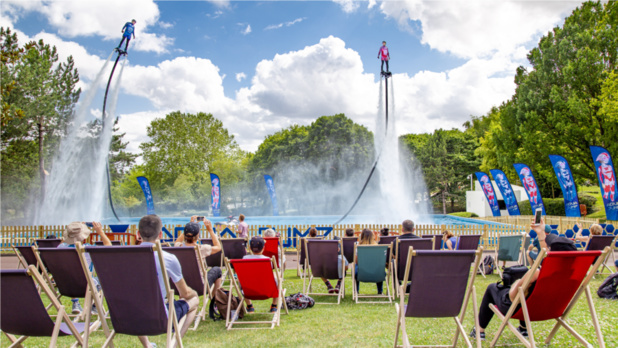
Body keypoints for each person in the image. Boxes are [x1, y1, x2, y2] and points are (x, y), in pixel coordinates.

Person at [471, 218, 577, 341]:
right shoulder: (570, 276)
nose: (546, 249)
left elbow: (512, 296)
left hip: (519, 309)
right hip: (549, 309)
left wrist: (516, 283)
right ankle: (523, 329)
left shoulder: (536, 274)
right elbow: (546, 254)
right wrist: (540, 232)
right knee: (529, 294)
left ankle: (480, 330)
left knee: (493, 288)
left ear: (551, 253)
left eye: (549, 248)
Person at [136, 215, 198, 348]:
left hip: (129, 318)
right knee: (194, 300)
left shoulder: (123, 259)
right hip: (160, 318)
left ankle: (147, 345)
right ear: (160, 234)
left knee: (136, 303)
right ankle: (173, 345)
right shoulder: (168, 258)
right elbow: (185, 293)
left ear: (138, 234)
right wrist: (194, 293)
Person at [60, 221, 111, 314]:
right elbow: (109, 247)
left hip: (66, 286)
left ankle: (76, 304)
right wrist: (100, 232)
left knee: (70, 275)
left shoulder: (60, 249)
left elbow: (63, 242)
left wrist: (71, 230)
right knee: (105, 277)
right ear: (83, 237)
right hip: (86, 286)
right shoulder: (87, 249)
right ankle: (95, 306)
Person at [173, 216, 223, 289]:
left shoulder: (178, 247)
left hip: (183, 285)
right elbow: (218, 247)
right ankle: (215, 299)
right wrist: (211, 230)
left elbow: (177, 241)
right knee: (217, 270)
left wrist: (189, 226)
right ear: (198, 235)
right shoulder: (201, 248)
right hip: (200, 286)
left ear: (185, 234)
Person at [242, 236, 278, 313]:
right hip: (266, 290)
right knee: (277, 278)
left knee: (242, 280)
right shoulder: (268, 260)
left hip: (249, 291)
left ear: (250, 248)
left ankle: (249, 306)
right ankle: (274, 306)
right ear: (263, 248)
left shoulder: (244, 258)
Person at [355, 229, 383, 295]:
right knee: (379, 268)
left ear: (361, 236)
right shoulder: (378, 247)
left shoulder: (358, 247)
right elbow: (380, 261)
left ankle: (356, 291)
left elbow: (356, 262)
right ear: (372, 236)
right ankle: (380, 291)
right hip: (377, 273)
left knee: (356, 267)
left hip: (361, 273)